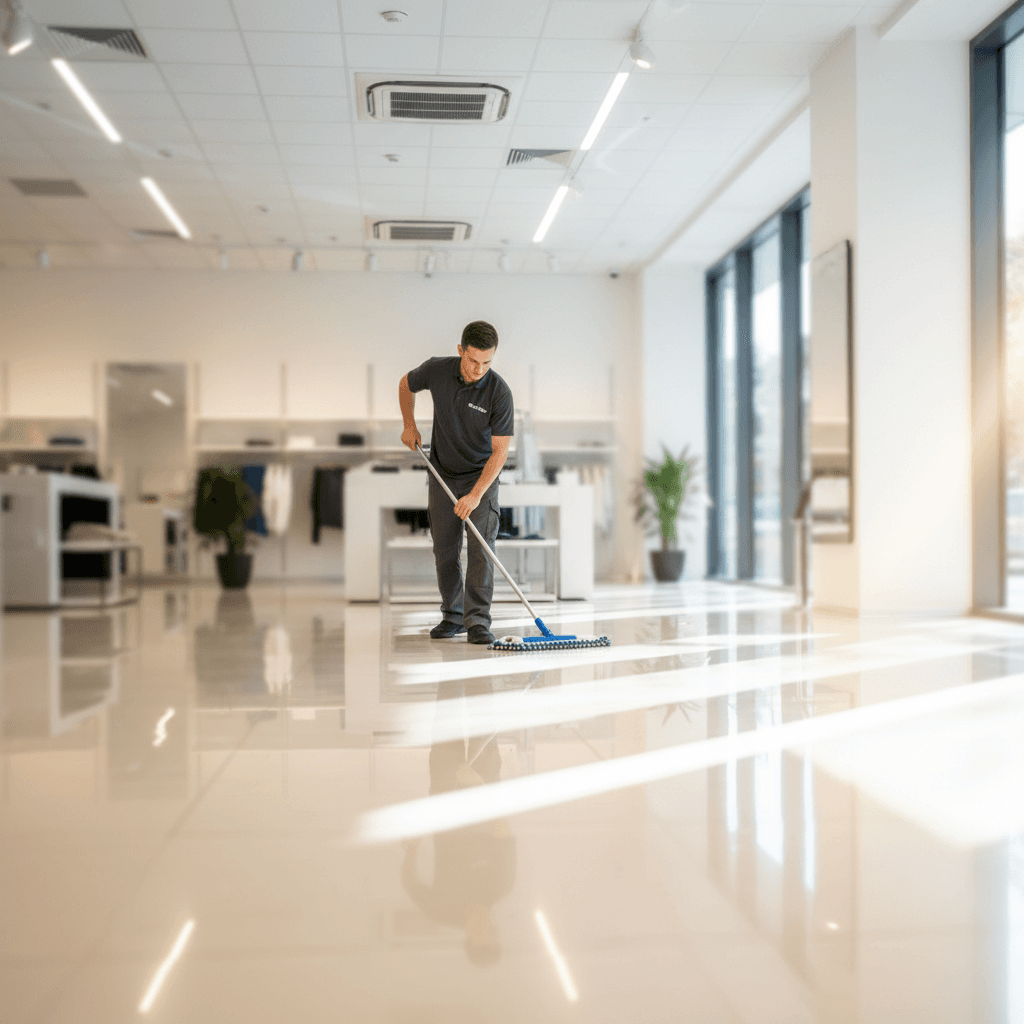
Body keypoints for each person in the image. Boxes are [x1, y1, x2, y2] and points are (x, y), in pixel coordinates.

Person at [399, 321, 514, 645]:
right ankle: (453, 616)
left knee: (481, 550)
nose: (479, 369)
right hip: (442, 473)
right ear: (460, 350)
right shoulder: (437, 371)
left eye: (487, 362)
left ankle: (477, 621)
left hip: (481, 477)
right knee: (445, 549)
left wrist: (476, 495)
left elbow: (500, 451)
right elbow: (405, 384)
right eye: (473, 360)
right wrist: (409, 424)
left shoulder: (499, 392)